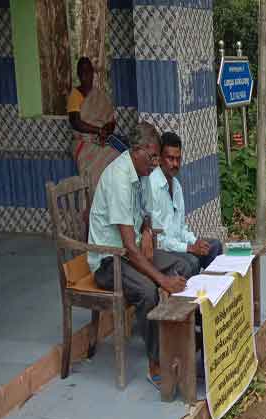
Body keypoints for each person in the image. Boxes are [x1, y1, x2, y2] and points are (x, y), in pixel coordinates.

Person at [88, 122, 197, 387]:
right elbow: (128, 247)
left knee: (187, 264)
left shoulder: (142, 173)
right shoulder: (119, 179)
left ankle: (178, 340)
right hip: (108, 260)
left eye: (157, 157)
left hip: (132, 250)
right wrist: (162, 280)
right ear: (136, 151)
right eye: (153, 157)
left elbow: (145, 214)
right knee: (149, 291)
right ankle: (156, 362)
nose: (156, 162)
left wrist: (147, 230)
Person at [143, 132, 223, 275]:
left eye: (178, 159)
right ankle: (191, 296)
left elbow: (180, 228)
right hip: (161, 250)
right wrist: (188, 248)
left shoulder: (176, 185)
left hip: (177, 245)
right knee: (192, 261)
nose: (175, 164)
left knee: (214, 246)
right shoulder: (152, 186)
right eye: (170, 158)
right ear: (160, 159)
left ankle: (211, 292)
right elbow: (159, 240)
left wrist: (195, 241)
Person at [67, 57, 121, 190]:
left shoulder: (99, 95)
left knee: (117, 158)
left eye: (88, 71)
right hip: (83, 143)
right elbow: (75, 122)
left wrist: (105, 131)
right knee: (94, 169)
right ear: (78, 75)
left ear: (93, 73)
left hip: (101, 141)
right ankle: (93, 201)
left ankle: (111, 199)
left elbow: (111, 122)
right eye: (82, 71)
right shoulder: (75, 94)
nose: (85, 75)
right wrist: (98, 130)